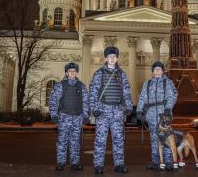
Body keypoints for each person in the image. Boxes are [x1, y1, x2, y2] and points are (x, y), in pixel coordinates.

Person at [89, 46, 133, 174]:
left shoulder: (122, 74)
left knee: (119, 139)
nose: (112, 59)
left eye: (114, 56)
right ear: (106, 58)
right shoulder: (99, 73)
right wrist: (94, 108)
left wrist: (129, 107)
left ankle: (119, 164)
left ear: (117, 58)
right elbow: (93, 92)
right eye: (110, 57)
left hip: (118, 111)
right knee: (100, 139)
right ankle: (98, 165)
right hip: (103, 111)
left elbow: (126, 93)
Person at [136, 61, 178, 171]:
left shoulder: (168, 82)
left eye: (159, 69)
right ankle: (155, 162)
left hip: (164, 115)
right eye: (155, 69)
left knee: (166, 139)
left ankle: (168, 162)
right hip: (151, 115)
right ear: (153, 71)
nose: (157, 71)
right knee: (154, 139)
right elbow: (142, 97)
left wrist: (168, 108)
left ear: (163, 71)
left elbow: (172, 96)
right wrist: (139, 111)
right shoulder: (147, 83)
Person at [49, 62, 89, 171]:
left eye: (74, 71)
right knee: (62, 140)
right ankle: (61, 163)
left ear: (76, 72)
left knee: (75, 141)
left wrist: (86, 116)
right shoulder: (60, 85)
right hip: (64, 117)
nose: (72, 73)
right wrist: (54, 115)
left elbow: (85, 102)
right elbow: (53, 100)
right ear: (66, 73)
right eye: (70, 71)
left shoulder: (81, 86)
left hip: (77, 117)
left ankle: (75, 163)